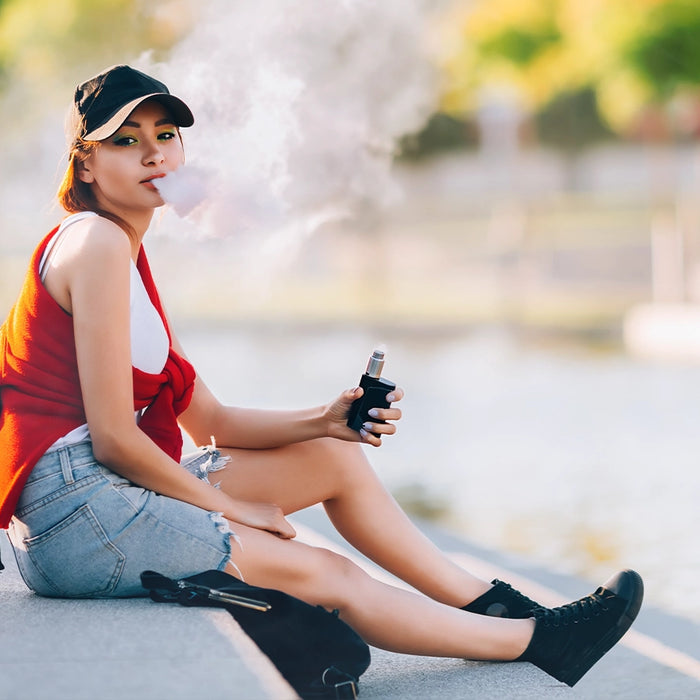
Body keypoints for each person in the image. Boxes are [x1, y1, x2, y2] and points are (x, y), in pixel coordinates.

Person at [0, 64, 643, 687]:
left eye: (165, 136)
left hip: (95, 495)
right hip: (78, 515)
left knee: (331, 458)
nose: (152, 155)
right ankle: (540, 643)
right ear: (85, 163)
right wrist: (232, 507)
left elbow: (213, 422)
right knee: (326, 571)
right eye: (125, 141)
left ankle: (496, 605)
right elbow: (114, 438)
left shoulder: (127, 259)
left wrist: (328, 419)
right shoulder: (97, 244)